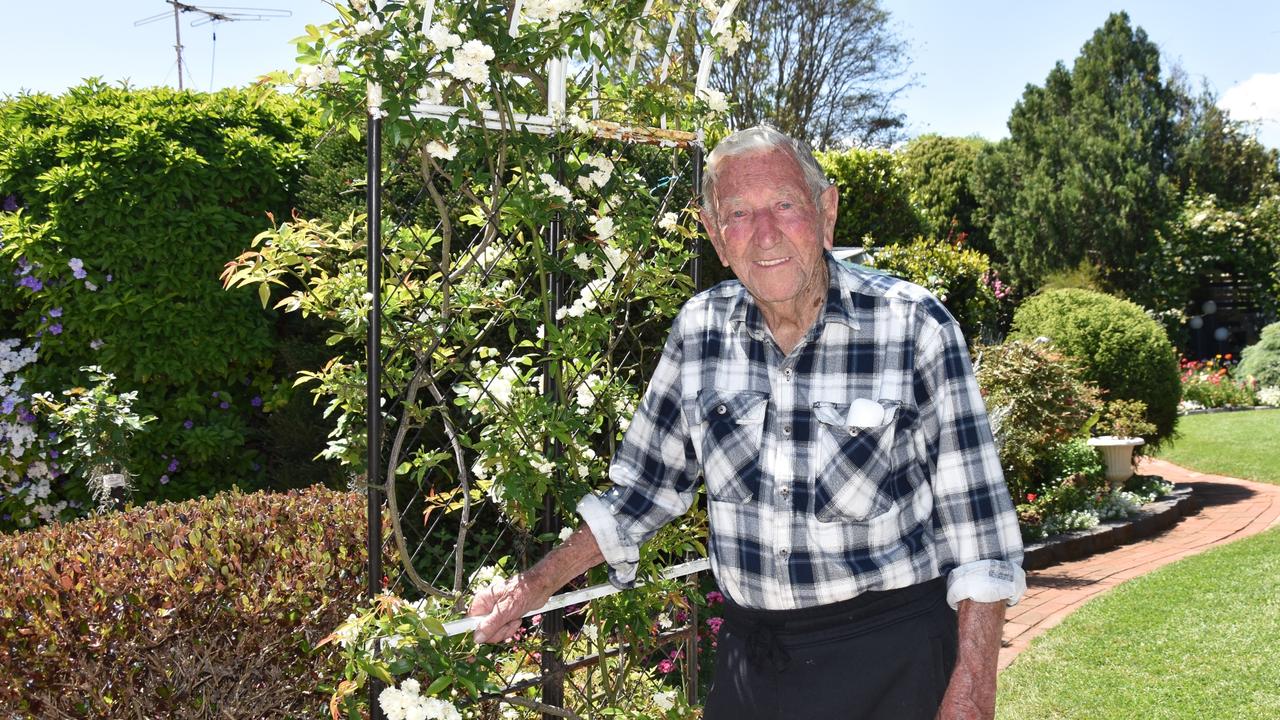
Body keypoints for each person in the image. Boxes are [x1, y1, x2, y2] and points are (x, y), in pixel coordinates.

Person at [468, 125, 1025, 720]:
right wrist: (533, 587)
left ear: (826, 210)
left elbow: (981, 536)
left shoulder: (915, 327)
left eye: (785, 204)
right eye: (737, 213)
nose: (764, 234)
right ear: (715, 235)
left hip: (891, 662)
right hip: (754, 667)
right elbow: (642, 492)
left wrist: (972, 688)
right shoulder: (699, 330)